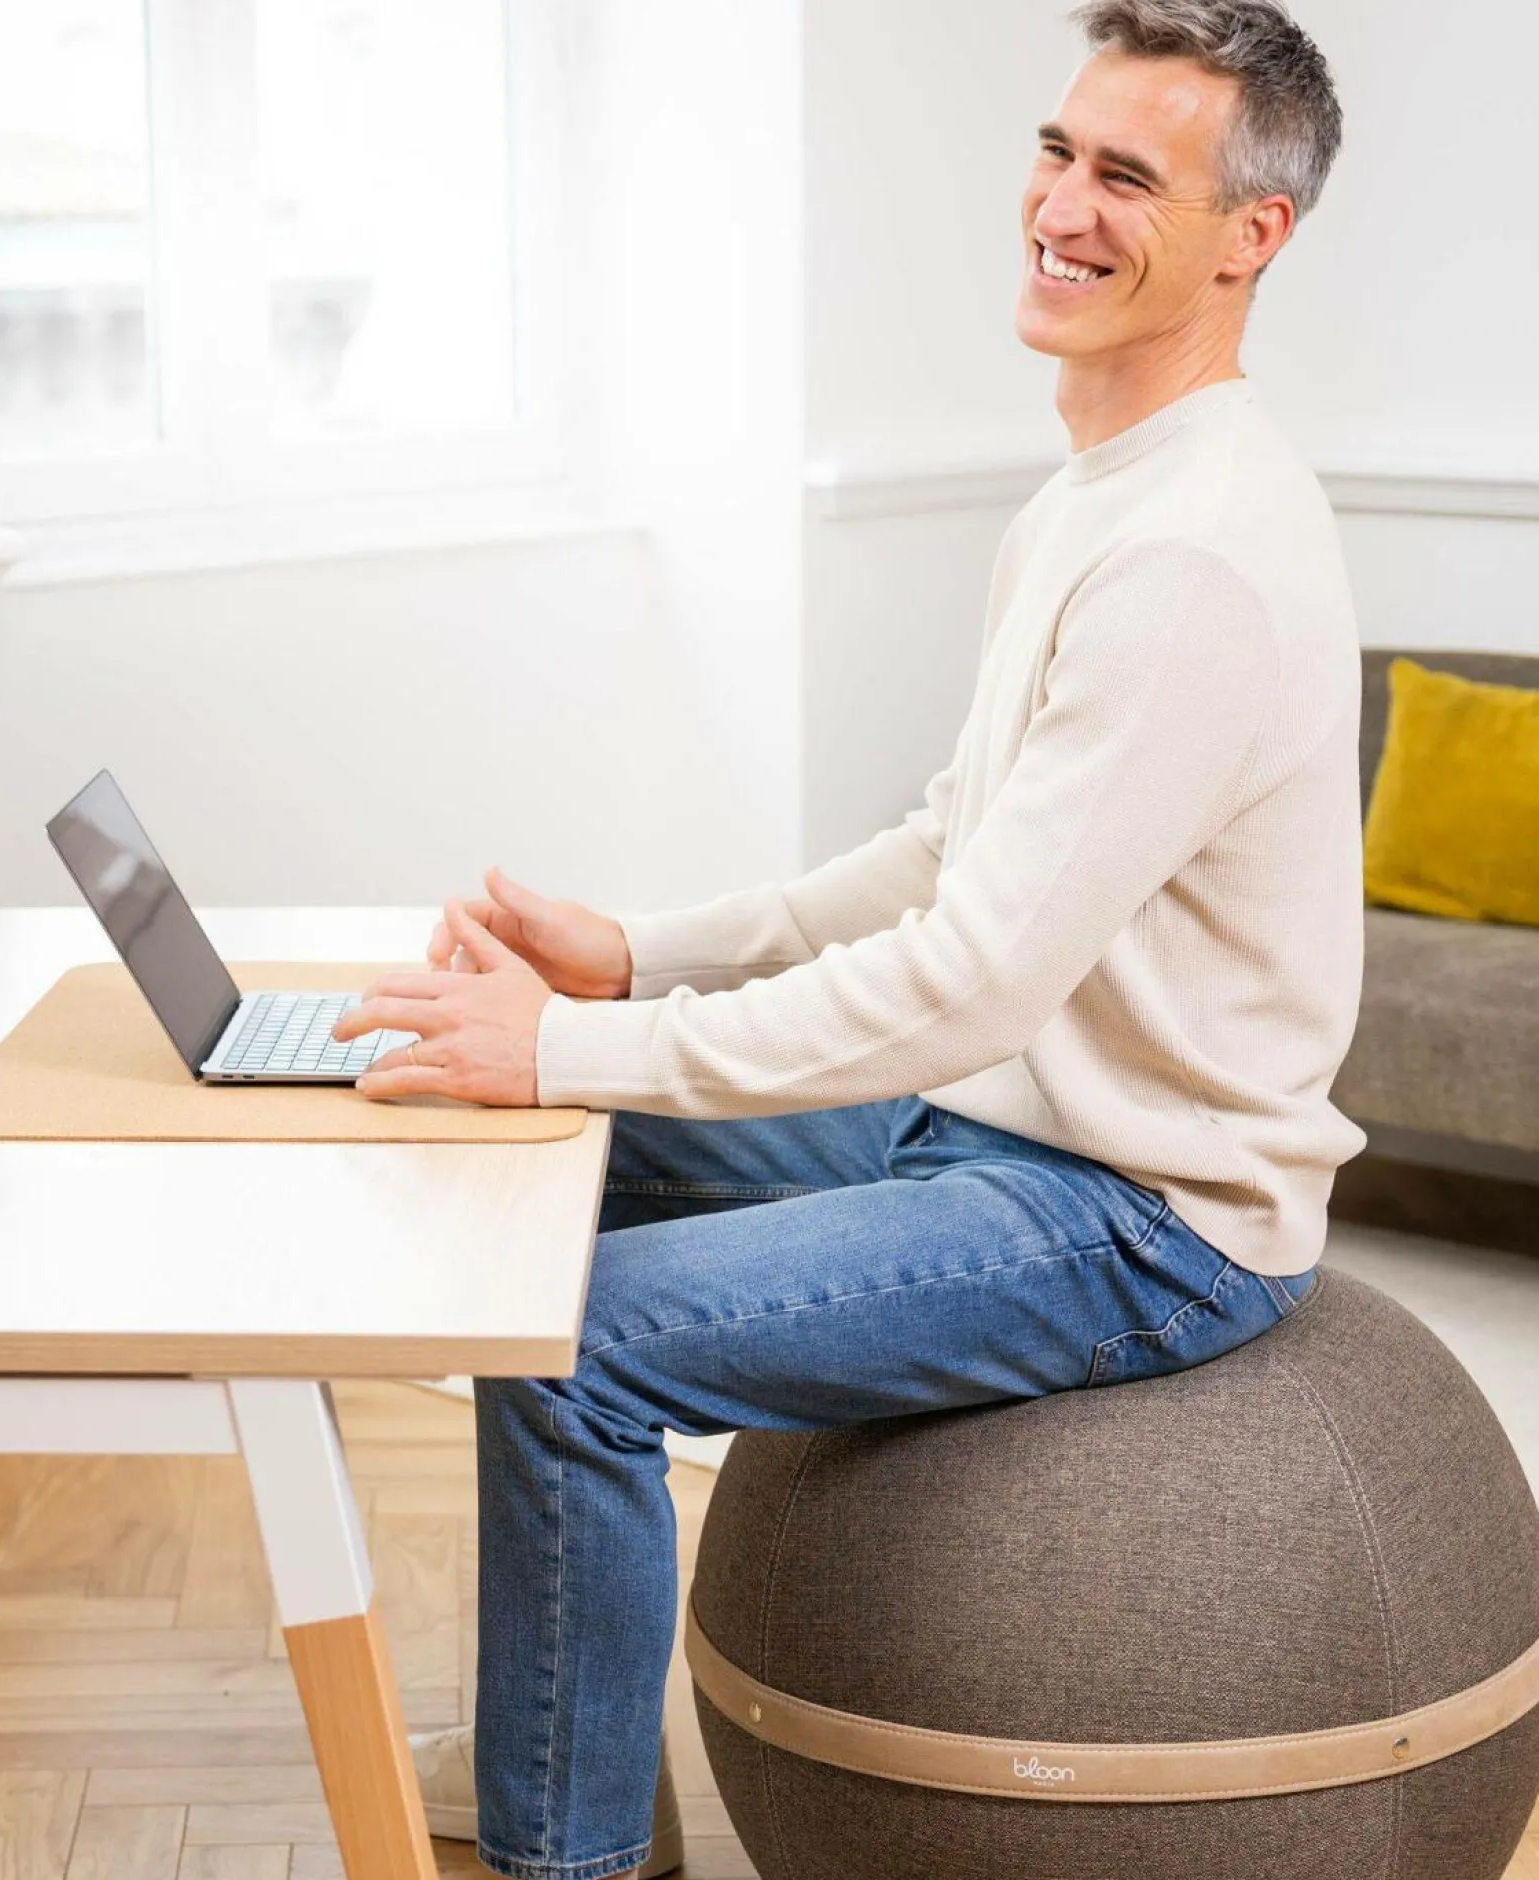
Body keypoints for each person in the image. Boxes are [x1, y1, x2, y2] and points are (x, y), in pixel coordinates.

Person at [330, 1, 1358, 1873]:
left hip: (1147, 1219)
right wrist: (630, 959)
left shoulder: (1191, 560)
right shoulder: (1097, 494)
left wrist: (558, 1043)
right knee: (539, 1163)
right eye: (1059, 150)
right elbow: (943, 852)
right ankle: (559, 1756)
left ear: (1248, 237)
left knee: (571, 1343)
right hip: (1002, 1130)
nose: (1060, 202)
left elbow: (969, 978)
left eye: (1128, 174)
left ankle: (563, 1856)